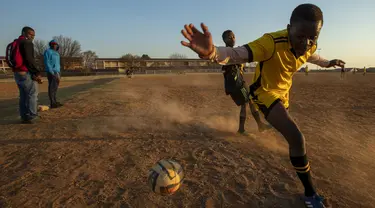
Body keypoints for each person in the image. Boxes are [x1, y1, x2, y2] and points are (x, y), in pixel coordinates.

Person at [180, 3, 345, 208]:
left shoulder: (309, 44)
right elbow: (239, 53)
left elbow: (312, 55)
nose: (307, 42)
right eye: (301, 36)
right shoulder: (271, 42)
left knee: (292, 136)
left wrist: (329, 63)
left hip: (283, 95)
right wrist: (213, 52)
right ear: (289, 27)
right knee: (297, 138)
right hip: (263, 93)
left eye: (313, 37)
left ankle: (261, 127)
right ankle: (311, 195)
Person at [221, 30, 271, 134]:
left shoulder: (231, 52)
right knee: (246, 103)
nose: (233, 38)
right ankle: (242, 130)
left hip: (236, 82)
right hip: (236, 83)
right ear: (224, 40)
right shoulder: (227, 52)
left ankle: (260, 125)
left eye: (234, 36)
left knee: (250, 101)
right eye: (230, 37)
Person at [12, 26, 42, 124]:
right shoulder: (27, 43)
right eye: (30, 34)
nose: (32, 37)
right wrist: (36, 72)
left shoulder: (16, 42)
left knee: (23, 95)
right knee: (32, 94)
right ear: (24, 33)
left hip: (17, 72)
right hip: (25, 72)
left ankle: (24, 116)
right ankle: (32, 116)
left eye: (33, 35)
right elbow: (29, 59)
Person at [44, 40, 63, 108]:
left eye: (56, 44)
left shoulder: (57, 53)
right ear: (51, 45)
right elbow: (47, 62)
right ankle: (52, 103)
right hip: (52, 72)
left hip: (57, 72)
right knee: (52, 88)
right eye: (53, 44)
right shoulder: (48, 51)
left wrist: (59, 72)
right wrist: (51, 71)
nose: (55, 45)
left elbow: (57, 63)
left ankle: (55, 101)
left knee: (55, 88)